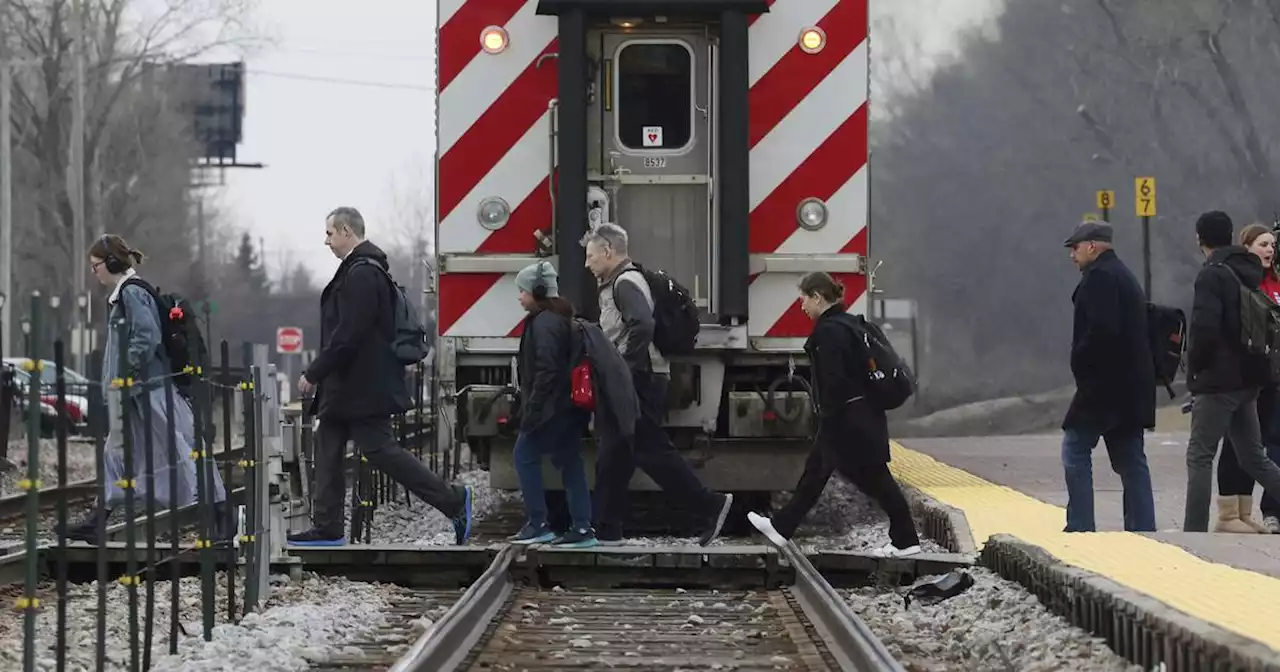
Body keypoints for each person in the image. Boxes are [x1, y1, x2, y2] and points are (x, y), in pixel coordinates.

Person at [289, 207, 473, 546]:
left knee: (380, 450)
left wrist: (315, 372)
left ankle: (453, 500)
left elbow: (349, 333)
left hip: (361, 387)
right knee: (327, 445)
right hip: (346, 387)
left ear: (346, 231)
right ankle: (327, 527)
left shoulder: (362, 274)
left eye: (330, 233)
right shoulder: (359, 271)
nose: (326, 240)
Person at [62, 234, 228, 544]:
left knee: (181, 450)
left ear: (110, 263)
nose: (94, 271)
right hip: (136, 393)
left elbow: (146, 337)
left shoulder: (132, 293)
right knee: (115, 453)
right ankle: (98, 521)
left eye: (95, 265)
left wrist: (125, 372)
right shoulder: (125, 293)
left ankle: (220, 514)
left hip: (148, 392)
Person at [745, 272, 922, 558]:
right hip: (859, 416)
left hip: (848, 420)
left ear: (817, 297)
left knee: (874, 478)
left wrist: (827, 416)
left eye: (804, 299)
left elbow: (834, 381)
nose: (802, 306)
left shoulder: (828, 332)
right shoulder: (849, 325)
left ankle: (906, 540)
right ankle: (781, 527)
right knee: (817, 472)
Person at [581, 223, 733, 546]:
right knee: (615, 452)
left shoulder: (625, 284)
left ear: (608, 252)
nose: (587, 263)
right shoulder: (619, 282)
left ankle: (710, 505)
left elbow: (643, 324)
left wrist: (624, 365)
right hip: (637, 376)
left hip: (637, 378)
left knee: (648, 449)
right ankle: (605, 528)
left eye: (591, 256)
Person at [1183, 211, 1280, 532]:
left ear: (1200, 240)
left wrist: (1194, 369)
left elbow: (1204, 329)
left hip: (1218, 382)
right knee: (1254, 457)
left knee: (1199, 456)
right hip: (1249, 378)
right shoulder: (1247, 270)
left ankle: (1194, 533)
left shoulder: (1212, 274)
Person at [1058, 220, 1157, 532]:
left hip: (1103, 387)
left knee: (1075, 449)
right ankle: (1143, 528)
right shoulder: (1124, 275)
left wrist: (1080, 362)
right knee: (1131, 460)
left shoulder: (1099, 278)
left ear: (1092, 246)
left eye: (1075, 248)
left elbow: (1102, 331)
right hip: (1131, 386)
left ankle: (1081, 526)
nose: (1072, 255)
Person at [507, 261, 597, 548]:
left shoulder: (544, 323)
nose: (519, 297)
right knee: (571, 464)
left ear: (538, 291)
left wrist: (532, 411)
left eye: (522, 291)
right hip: (567, 408)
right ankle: (583, 529)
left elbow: (546, 371)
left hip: (551, 409)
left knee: (524, 456)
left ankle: (538, 524)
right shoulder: (560, 319)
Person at [1211, 223, 1280, 533]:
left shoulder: (1276, 284)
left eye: (1272, 245)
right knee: (1235, 445)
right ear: (1247, 247)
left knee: (1257, 446)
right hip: (1246, 376)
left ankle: (1244, 510)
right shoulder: (1241, 282)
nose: (1269, 250)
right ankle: (1228, 513)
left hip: (1273, 377)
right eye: (1263, 244)